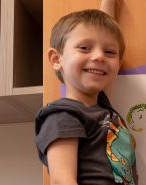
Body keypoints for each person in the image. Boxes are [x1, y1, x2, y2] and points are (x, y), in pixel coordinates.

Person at [35, 1, 138, 184]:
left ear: (118, 64)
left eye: (109, 52)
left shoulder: (102, 108)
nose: (99, 56)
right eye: (84, 48)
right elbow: (61, 180)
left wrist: (108, 2)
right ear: (57, 59)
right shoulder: (63, 115)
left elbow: (104, 31)